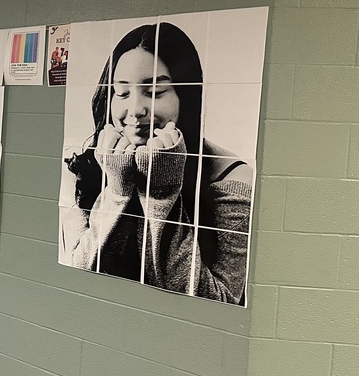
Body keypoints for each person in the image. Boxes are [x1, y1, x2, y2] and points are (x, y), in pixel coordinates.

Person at [61, 21, 252, 303]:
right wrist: (116, 192)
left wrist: (161, 194)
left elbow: (221, 302)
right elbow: (78, 275)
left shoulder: (232, 179)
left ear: (185, 97)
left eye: (154, 92)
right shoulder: (86, 165)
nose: (136, 110)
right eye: (122, 93)